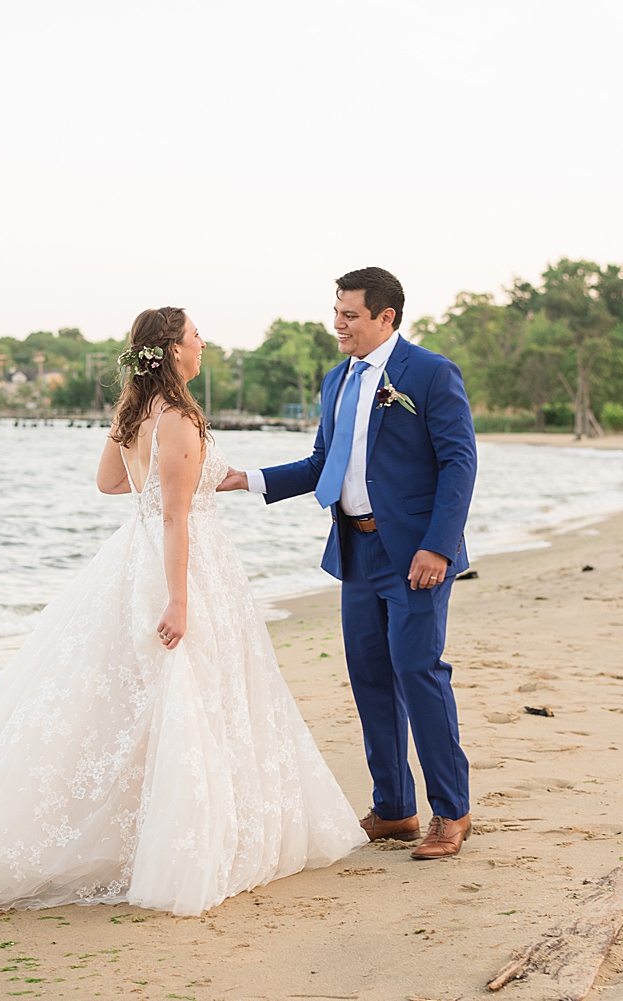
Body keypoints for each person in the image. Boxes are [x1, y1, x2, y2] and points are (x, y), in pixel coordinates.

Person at [0, 307, 365, 916]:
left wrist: (169, 475)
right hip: (182, 565)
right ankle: (178, 844)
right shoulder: (178, 417)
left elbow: (110, 483)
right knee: (187, 692)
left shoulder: (137, 413)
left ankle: (141, 831)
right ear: (175, 351)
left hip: (136, 555)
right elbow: (177, 516)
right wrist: (179, 600)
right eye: (196, 336)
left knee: (143, 698)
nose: (203, 344)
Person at [218, 267, 479, 860]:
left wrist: (438, 545)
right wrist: (247, 480)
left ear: (386, 318)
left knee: (418, 672)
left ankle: (452, 812)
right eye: (336, 311)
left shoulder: (432, 373)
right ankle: (394, 809)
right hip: (355, 549)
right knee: (369, 678)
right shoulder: (336, 381)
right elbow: (320, 465)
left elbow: (459, 463)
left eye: (351, 315)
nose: (338, 324)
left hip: (416, 553)